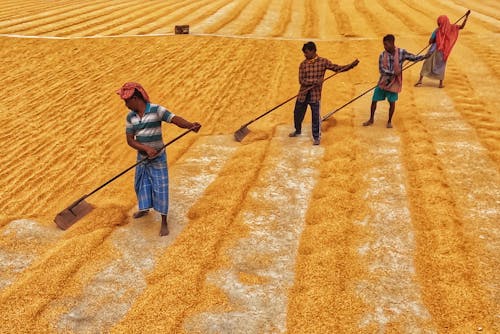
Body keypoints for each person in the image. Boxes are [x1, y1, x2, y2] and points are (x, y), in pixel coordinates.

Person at [116, 82, 201, 236]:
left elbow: (174, 119)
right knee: (141, 185)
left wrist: (190, 125)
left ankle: (164, 221)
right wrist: (146, 149)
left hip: (158, 159)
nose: (126, 105)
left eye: (126, 101)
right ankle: (145, 209)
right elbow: (130, 140)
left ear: (135, 98)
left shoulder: (156, 110)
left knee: (160, 188)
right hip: (142, 158)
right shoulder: (130, 117)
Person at [289, 41, 359, 145]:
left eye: (307, 52)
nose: (305, 55)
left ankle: (316, 137)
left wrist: (351, 66)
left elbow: (337, 68)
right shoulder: (303, 64)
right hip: (303, 94)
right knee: (297, 114)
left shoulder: (323, 62)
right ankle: (297, 130)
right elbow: (301, 80)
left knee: (316, 117)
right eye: (304, 53)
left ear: (313, 51)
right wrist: (314, 82)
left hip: (315, 95)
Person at [363, 34, 428, 128]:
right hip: (383, 82)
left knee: (392, 102)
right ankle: (371, 119)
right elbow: (381, 69)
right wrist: (391, 73)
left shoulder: (401, 52)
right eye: (384, 44)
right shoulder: (382, 55)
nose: (384, 47)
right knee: (374, 100)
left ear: (392, 43)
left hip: (394, 83)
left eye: (386, 44)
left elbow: (413, 58)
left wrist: (425, 57)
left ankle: (389, 121)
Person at [415, 11, 470, 88]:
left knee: (427, 64)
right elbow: (461, 27)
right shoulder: (451, 28)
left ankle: (420, 80)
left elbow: (430, 41)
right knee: (441, 66)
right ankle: (440, 84)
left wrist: (434, 40)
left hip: (433, 50)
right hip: (443, 52)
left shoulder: (437, 30)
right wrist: (466, 17)